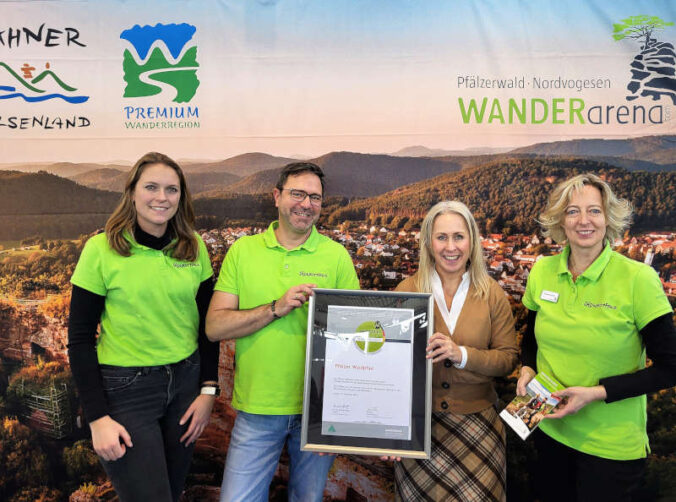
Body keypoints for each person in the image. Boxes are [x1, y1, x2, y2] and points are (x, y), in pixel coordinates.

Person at [68, 152, 220, 502]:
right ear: (132, 192)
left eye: (172, 189)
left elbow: (208, 326)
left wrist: (208, 390)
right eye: (151, 187)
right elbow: (78, 340)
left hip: (185, 384)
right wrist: (97, 418)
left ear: (182, 197)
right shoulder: (102, 249)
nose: (161, 198)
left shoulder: (193, 247)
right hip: (127, 390)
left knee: (172, 490)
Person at [517, 173, 676, 502]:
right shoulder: (542, 270)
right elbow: (531, 338)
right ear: (561, 220)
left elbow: (671, 366)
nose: (583, 221)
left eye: (594, 211)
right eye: (573, 211)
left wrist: (596, 393)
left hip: (609, 447)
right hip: (547, 426)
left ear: (609, 219)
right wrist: (526, 368)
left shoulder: (638, 279)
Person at [206, 162, 359, 502]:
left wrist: (340, 418)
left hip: (318, 413)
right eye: (298, 194)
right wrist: (275, 308)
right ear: (276, 196)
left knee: (307, 498)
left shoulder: (336, 257)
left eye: (315, 197)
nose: (306, 204)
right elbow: (215, 327)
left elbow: (355, 344)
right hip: (258, 409)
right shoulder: (243, 252)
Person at [392, 200, 518, 501]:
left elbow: (507, 359)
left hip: (479, 426)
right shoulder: (406, 291)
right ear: (428, 242)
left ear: (472, 241)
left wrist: (462, 354)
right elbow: (389, 366)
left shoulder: (492, 293)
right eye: (442, 237)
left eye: (459, 237)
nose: (451, 247)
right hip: (418, 426)